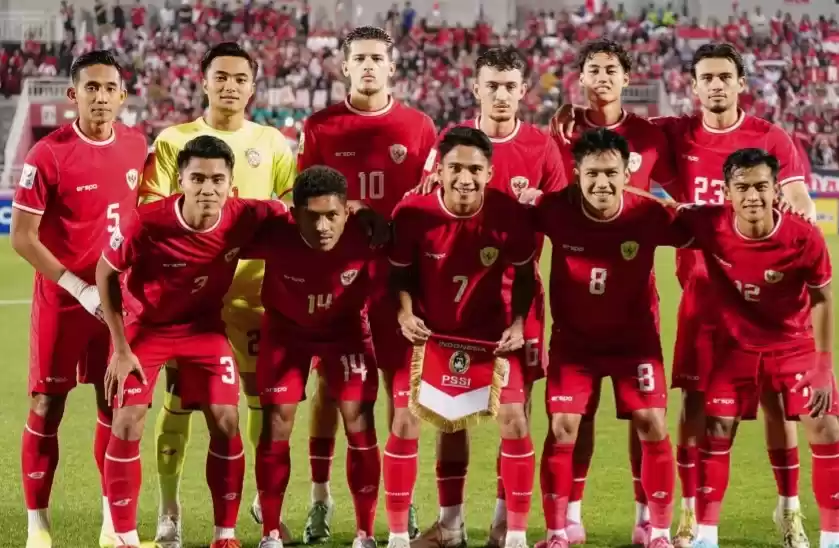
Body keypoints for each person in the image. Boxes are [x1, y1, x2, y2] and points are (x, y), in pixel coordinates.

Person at [552, 42, 813, 548]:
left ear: (741, 83)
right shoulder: (675, 133)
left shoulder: (770, 137)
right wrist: (574, 112)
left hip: (764, 300)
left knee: (777, 407)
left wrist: (798, 211)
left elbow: (798, 194)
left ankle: (789, 509)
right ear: (692, 87)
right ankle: (689, 515)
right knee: (693, 406)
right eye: (706, 78)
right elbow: (619, 129)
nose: (716, 85)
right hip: (702, 295)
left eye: (724, 77)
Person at [140, 41, 296, 546]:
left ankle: (260, 500)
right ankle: (169, 508)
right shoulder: (173, 141)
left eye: (240, 78)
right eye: (221, 77)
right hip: (189, 304)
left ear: (253, 87)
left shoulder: (272, 143)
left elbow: (290, 215)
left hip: (253, 297)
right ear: (203, 81)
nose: (230, 86)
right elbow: (153, 214)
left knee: (257, 405)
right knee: (179, 405)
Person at [97, 135, 287, 548]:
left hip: (203, 329)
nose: (207, 188)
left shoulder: (244, 215)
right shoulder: (145, 222)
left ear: (231, 184)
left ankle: (225, 535)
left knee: (226, 419)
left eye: (217, 180)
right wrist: (121, 348)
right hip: (145, 329)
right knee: (128, 420)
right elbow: (105, 272)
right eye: (197, 178)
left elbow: (296, 213)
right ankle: (125, 537)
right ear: (180, 181)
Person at [411, 45, 567, 548]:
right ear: (475, 88)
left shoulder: (542, 147)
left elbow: (564, 218)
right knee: (449, 417)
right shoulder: (452, 142)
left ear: (523, 91)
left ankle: (505, 525)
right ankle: (451, 526)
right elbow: (424, 202)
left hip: (515, 304)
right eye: (492, 86)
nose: (501, 95)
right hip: (451, 304)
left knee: (515, 414)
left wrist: (539, 205)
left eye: (509, 86)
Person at [297, 25, 436, 543]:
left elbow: (430, 201)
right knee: (329, 394)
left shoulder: (419, 127)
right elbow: (302, 204)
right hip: (337, 282)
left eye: (378, 58)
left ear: (392, 66)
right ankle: (320, 499)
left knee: (404, 397)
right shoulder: (320, 127)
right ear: (345, 67)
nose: (369, 66)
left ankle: (403, 500)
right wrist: (349, 209)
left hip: (399, 284)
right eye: (360, 58)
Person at [10, 50, 148, 548]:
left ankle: (112, 525)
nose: (101, 97)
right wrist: (78, 286)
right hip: (64, 301)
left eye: (110, 88)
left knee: (114, 406)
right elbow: (22, 237)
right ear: (74, 95)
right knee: (48, 405)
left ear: (123, 95)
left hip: (114, 304)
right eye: (91, 87)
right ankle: (38, 527)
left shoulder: (137, 145)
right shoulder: (47, 154)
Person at [546, 39, 679, 546]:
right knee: (571, 421)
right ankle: (568, 521)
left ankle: (650, 520)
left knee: (644, 417)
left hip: (634, 306)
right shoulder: (562, 131)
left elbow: (683, 196)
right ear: (580, 78)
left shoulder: (649, 135)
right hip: (576, 310)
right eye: (593, 69)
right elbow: (543, 195)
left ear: (627, 78)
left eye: (611, 69)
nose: (602, 77)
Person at [672, 149, 839, 548]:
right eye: (742, 187)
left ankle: (832, 538)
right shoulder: (708, 223)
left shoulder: (803, 237)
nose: (752, 196)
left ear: (776, 190)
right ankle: (706, 537)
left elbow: (822, 298)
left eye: (762, 186)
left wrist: (822, 365)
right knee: (716, 428)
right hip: (734, 348)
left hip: (792, 344)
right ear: (726, 192)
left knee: (827, 427)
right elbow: (645, 218)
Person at [387, 126, 537, 548]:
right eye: (455, 168)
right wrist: (405, 312)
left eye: (474, 169)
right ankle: (413, 535)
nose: (464, 178)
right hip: (431, 337)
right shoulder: (412, 212)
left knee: (514, 419)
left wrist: (518, 323)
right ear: (439, 170)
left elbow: (525, 276)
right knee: (411, 421)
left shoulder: (508, 214)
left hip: (488, 337)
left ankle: (515, 536)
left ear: (489, 173)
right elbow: (398, 274)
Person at [248, 166, 382, 548]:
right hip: (286, 332)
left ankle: (365, 534)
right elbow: (220, 237)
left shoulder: (366, 231)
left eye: (332, 216)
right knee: (277, 422)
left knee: (359, 420)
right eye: (313, 217)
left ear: (346, 211)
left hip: (346, 332)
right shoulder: (274, 232)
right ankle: (270, 532)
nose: (323, 226)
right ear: (295, 214)